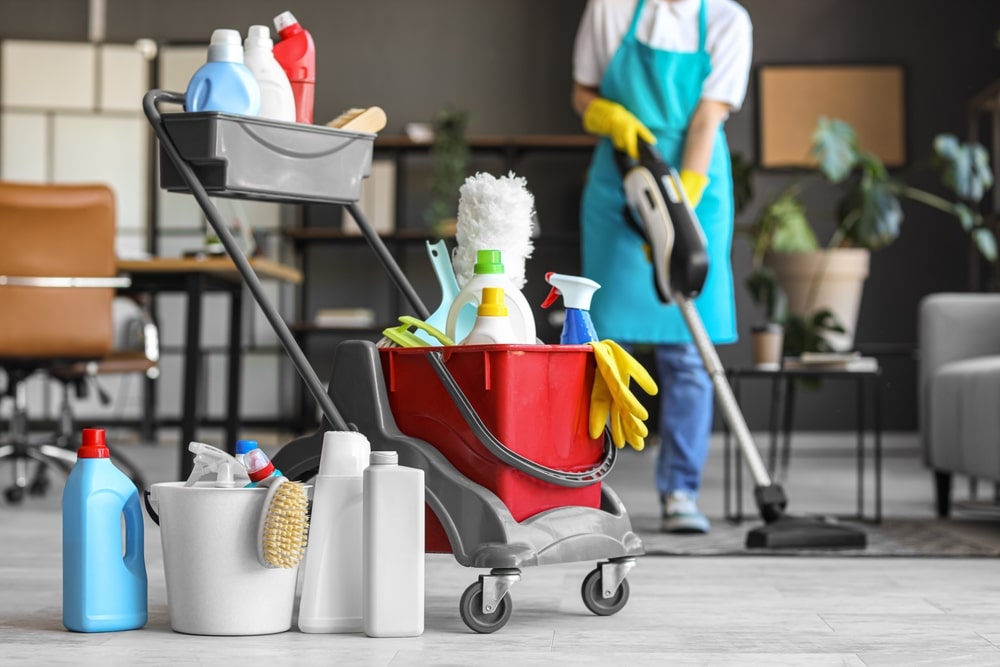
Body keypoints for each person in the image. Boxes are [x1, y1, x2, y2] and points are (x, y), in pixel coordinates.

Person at [572, 0, 752, 533]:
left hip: (693, 178)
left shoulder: (728, 20)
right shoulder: (610, 8)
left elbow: (706, 118)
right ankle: (576, 483)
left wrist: (679, 212)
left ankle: (680, 492)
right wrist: (605, 113)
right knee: (597, 347)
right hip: (621, 176)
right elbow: (583, 93)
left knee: (688, 351)